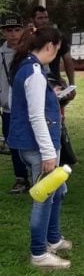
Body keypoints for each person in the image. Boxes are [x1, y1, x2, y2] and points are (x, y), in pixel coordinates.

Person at [6, 27, 72, 269]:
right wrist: (47, 153)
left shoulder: (28, 66)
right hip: (39, 146)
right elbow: (35, 115)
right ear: (50, 46)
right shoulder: (33, 70)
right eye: (58, 49)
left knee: (58, 190)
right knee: (43, 197)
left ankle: (52, 239)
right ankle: (39, 253)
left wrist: (53, 94)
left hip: (36, 143)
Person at [1, 12, 31, 193]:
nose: (13, 34)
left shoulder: (31, 51)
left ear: (23, 30)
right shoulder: (1, 53)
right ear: (3, 33)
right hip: (9, 109)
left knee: (34, 142)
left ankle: (38, 175)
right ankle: (21, 178)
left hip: (30, 107)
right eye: (8, 30)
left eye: (17, 30)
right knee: (13, 144)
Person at [30, 6, 75, 88]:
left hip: (54, 81)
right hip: (34, 81)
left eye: (46, 17)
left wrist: (71, 84)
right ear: (32, 20)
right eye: (40, 18)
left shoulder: (57, 36)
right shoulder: (28, 38)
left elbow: (67, 59)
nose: (44, 21)